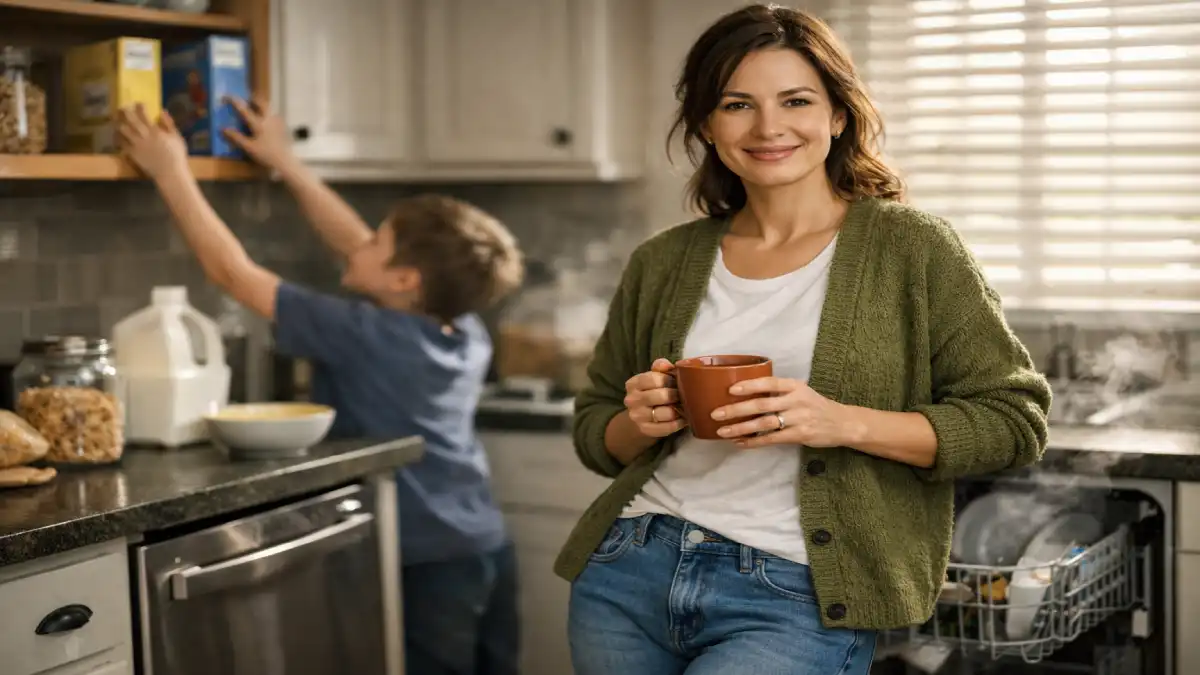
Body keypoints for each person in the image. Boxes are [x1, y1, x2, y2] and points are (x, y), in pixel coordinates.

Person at [554, 5, 1052, 675]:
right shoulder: (663, 260)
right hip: (630, 569)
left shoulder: (913, 248)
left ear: (837, 114)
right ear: (707, 123)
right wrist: (639, 423)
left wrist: (841, 422)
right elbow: (595, 429)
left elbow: (1013, 421)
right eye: (737, 104)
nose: (768, 127)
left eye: (795, 100)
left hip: (795, 594)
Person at [116, 99, 525, 675]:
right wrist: (288, 163)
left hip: (421, 558)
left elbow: (234, 274)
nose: (358, 243)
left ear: (405, 279)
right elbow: (358, 245)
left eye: (376, 241)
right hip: (483, 544)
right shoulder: (460, 327)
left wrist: (170, 171)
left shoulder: (365, 334)